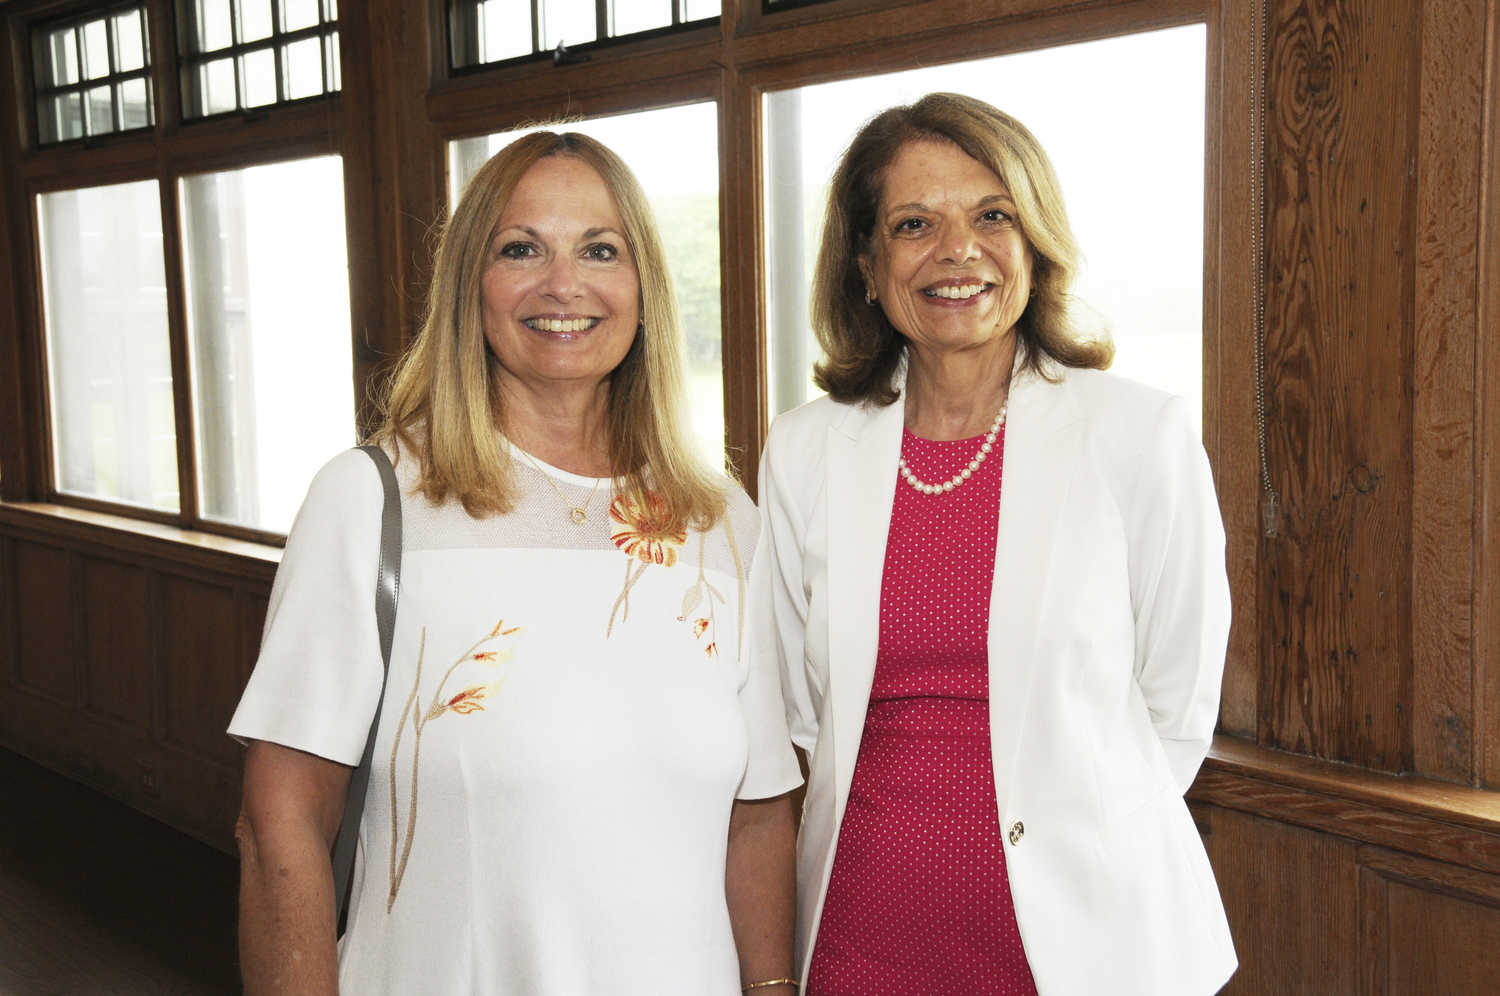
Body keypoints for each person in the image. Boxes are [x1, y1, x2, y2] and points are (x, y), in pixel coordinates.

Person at [229, 131, 803, 995]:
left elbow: (757, 819)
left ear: (644, 287)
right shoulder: (373, 502)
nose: (562, 283)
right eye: (521, 248)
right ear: (472, 286)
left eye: (600, 250)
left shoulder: (721, 523)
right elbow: (281, 822)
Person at [759, 92, 1237, 995]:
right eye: (913, 223)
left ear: (1034, 243)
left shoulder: (1140, 434)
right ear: (866, 264)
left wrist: (1072, 841)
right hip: (863, 935)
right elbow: (799, 712)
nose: (958, 250)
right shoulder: (805, 450)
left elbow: (1177, 709)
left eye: (993, 216)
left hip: (1083, 944)